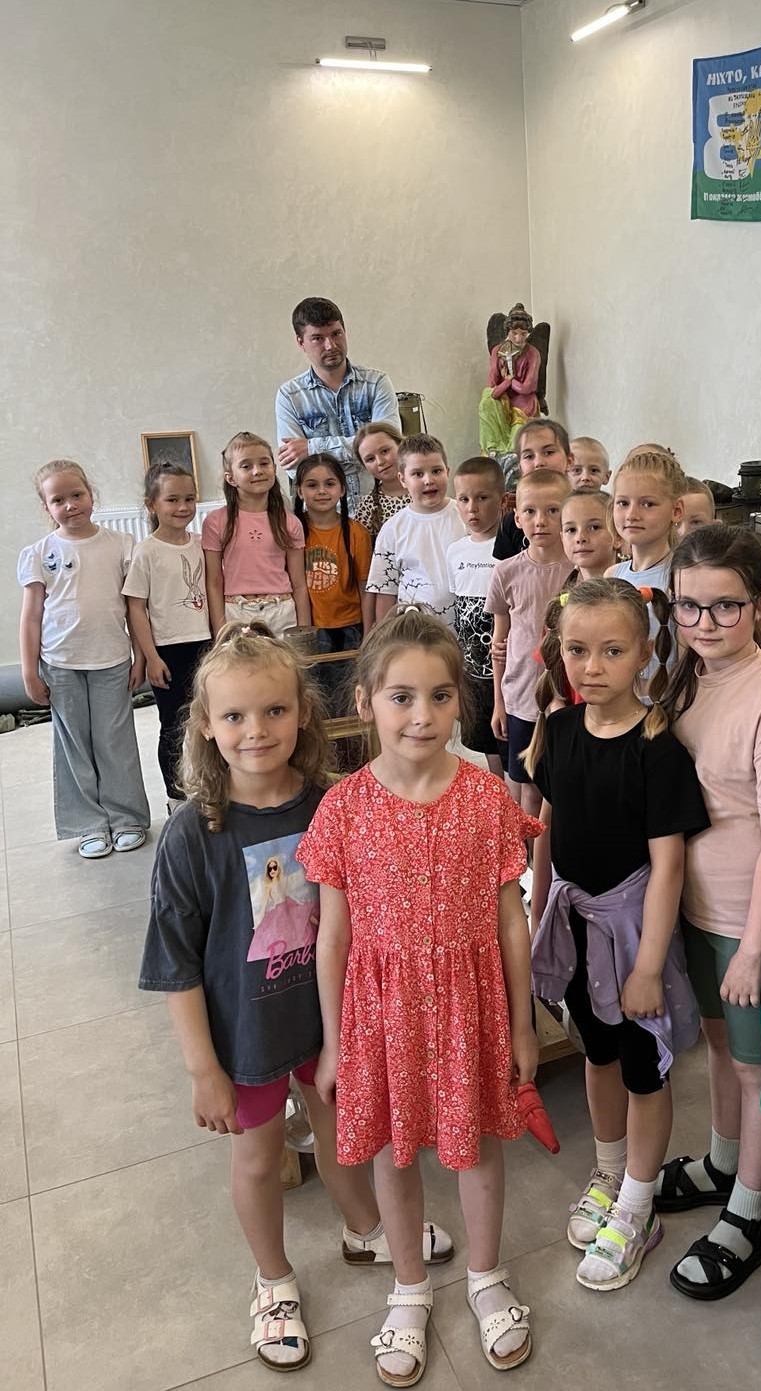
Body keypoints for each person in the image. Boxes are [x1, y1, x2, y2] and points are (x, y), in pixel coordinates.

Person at [139, 624, 453, 1375]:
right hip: (243, 1037)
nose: (256, 731)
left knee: (345, 1134)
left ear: (303, 712)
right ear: (205, 725)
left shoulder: (333, 806)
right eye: (235, 716)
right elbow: (175, 965)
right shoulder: (191, 834)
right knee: (258, 1157)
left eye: (274, 710)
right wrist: (202, 1071)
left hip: (329, 1023)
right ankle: (273, 1280)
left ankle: (364, 1228)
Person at [299, 609, 541, 1384]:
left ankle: (486, 1274)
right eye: (401, 696)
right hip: (381, 1014)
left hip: (474, 1005)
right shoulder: (342, 808)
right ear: (365, 701)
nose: (422, 715)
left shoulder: (487, 798)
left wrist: (524, 1023)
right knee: (392, 1152)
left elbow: (511, 920)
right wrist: (334, 1041)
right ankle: (408, 1285)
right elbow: (332, 939)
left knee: (480, 1144)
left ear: (459, 702)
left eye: (439, 696)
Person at [524, 578, 707, 1289]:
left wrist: (649, 965)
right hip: (573, 923)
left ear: (644, 653)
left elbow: (668, 867)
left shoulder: (658, 750)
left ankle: (639, 1200)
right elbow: (547, 830)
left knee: (640, 1068)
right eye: (578, 650)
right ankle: (607, 1172)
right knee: (596, 1053)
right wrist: (540, 914)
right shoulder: (560, 732)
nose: (592, 666)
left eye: (612, 650)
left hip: (631, 934)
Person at [656, 526, 761, 1298]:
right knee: (721, 1049)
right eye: (689, 605)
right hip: (690, 902)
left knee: (758, 1067)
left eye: (726, 606)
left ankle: (749, 1211)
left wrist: (756, 945)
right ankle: (723, 1162)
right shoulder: (686, 673)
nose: (705, 622)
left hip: (741, 917)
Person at [18, 459, 151, 858]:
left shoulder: (121, 545)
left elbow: (134, 608)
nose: (70, 505)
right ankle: (89, 824)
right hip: (60, 665)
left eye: (77, 495)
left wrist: (140, 657)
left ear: (91, 494)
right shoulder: (39, 553)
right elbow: (31, 616)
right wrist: (29, 671)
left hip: (111, 660)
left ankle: (126, 817)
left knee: (115, 742)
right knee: (74, 745)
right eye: (58, 500)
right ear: (46, 507)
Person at [124, 461, 211, 807]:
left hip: (205, 646)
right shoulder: (146, 552)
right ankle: (176, 798)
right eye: (172, 500)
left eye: (189, 499)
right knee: (174, 727)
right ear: (152, 504)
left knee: (211, 721)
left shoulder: (202, 544)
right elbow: (136, 608)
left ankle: (213, 788)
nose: (183, 507)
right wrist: (150, 657)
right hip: (168, 651)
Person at [487, 469, 574, 813]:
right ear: (517, 517)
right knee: (528, 790)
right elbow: (499, 645)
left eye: (553, 510)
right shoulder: (505, 572)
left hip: (570, 696)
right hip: (521, 698)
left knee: (564, 785)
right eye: (531, 511)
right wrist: (499, 703)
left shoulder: (580, 569)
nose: (541, 521)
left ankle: (554, 846)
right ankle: (526, 848)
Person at [275, 296, 402, 508]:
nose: (331, 345)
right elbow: (295, 467)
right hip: (324, 514)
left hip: (382, 506)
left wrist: (312, 448)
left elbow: (390, 447)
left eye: (336, 334)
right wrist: (363, 451)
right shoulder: (289, 396)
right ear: (301, 342)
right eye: (318, 338)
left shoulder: (376, 383)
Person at [201, 432, 311, 637]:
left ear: (274, 469)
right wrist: (220, 631)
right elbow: (214, 583)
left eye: (264, 463)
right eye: (246, 466)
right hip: (236, 613)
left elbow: (299, 583)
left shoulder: (289, 522)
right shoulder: (215, 522)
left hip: (282, 612)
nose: (257, 471)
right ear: (230, 478)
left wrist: (304, 631)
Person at [364, 434, 467, 630]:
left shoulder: (466, 517)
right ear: (403, 479)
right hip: (416, 635)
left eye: (436, 471)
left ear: (447, 472)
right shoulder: (393, 530)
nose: (429, 480)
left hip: (466, 634)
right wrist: (386, 636)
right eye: (418, 474)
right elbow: (385, 591)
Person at [607, 444, 689, 688]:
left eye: (647, 504)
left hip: (664, 702)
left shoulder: (682, 577)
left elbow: (686, 662)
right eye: (623, 503)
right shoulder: (612, 575)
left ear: (676, 511)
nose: (632, 514)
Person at [447, 456, 507, 777]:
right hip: (472, 668)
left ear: (502, 500)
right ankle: (497, 787)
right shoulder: (455, 551)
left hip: (505, 662)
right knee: (485, 740)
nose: (472, 508)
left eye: (482, 498)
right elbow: (458, 604)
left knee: (509, 736)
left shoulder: (511, 548)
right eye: (464, 499)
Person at [293, 455, 372, 652]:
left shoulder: (357, 533)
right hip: (310, 627)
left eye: (329, 484)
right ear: (300, 491)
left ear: (342, 489)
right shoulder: (292, 532)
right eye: (312, 485)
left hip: (353, 626)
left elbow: (365, 588)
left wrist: (369, 633)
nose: (322, 491)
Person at [493, 418, 573, 561]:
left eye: (549, 452)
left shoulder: (587, 511)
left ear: (569, 460)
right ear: (520, 466)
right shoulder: (510, 524)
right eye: (529, 456)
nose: (539, 462)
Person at [480, 303, 541, 458]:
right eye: (514, 333)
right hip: (503, 395)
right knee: (486, 402)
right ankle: (493, 448)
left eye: (523, 334)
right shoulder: (498, 351)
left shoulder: (533, 353)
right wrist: (506, 382)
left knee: (516, 440)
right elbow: (492, 386)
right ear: (508, 331)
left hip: (524, 401)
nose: (519, 338)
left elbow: (527, 387)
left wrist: (511, 380)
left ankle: (512, 458)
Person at [353, 421, 410, 540]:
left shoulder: (425, 488)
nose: (380, 462)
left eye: (385, 451)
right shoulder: (367, 507)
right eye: (370, 459)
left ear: (402, 446)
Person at [561, 489, 620, 582]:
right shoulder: (565, 589)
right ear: (562, 538)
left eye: (594, 527)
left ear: (617, 535)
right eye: (571, 530)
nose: (580, 538)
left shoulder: (637, 587)